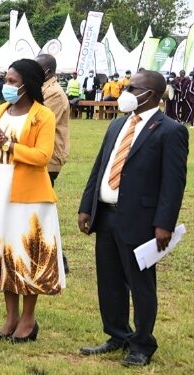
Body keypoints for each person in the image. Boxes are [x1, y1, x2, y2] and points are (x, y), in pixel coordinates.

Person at [77, 70, 188, 367]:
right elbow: (100, 167)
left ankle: (142, 343)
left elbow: (173, 182)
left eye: (132, 87)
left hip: (141, 219)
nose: (125, 91)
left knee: (140, 284)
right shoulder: (116, 125)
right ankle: (117, 334)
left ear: (150, 94)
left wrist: (164, 223)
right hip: (107, 216)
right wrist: (87, 206)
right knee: (109, 281)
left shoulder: (170, 130)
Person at [0, 58, 66, 343]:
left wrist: (9, 144)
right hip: (2, 188)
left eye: (12, 81)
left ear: (28, 84)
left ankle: (28, 321)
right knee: (6, 253)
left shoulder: (43, 115)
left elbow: (43, 156)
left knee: (27, 255)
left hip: (31, 195)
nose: (7, 85)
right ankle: (10, 318)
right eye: (6, 80)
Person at [35, 54, 71, 274]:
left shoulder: (54, 94)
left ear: (47, 72)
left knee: (43, 210)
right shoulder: (45, 89)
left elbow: (41, 121)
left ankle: (59, 259)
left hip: (48, 160)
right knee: (39, 210)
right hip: (42, 157)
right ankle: (50, 256)